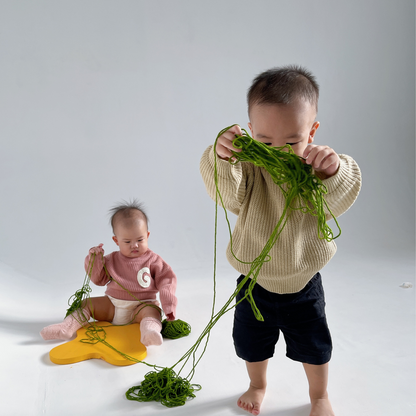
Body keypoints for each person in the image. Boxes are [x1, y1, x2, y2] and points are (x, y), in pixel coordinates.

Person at [200, 66, 361, 416]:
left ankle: (319, 395)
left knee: (314, 347)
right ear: (251, 131)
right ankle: (257, 385)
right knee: (250, 344)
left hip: (302, 282)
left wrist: (332, 171)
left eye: (291, 141)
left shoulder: (314, 169)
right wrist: (222, 156)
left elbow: (339, 197)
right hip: (254, 281)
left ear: (312, 131)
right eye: (265, 141)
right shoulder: (250, 167)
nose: (278, 152)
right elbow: (228, 195)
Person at [40, 200, 178, 347]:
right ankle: (66, 327)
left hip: (141, 307)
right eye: (127, 241)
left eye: (140, 239)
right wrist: (95, 259)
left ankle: (149, 332)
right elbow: (98, 279)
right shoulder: (112, 259)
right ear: (116, 240)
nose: (135, 245)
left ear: (148, 235)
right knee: (85, 304)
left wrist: (169, 306)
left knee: (153, 312)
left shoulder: (153, 260)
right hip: (112, 306)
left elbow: (167, 281)